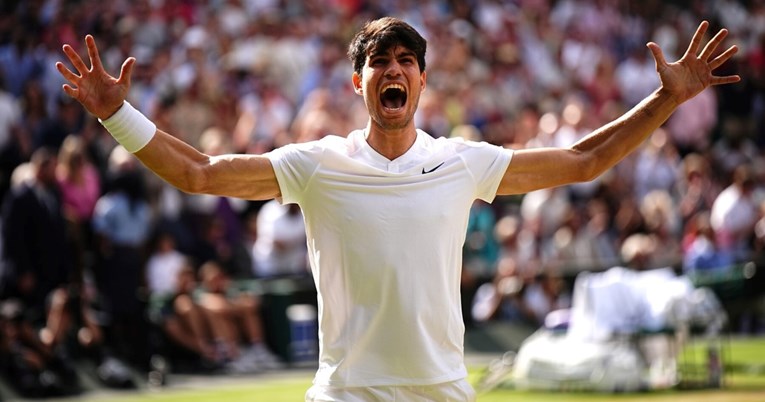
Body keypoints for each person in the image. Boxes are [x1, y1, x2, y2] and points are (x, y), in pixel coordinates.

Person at [57, 17, 739, 401]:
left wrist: (667, 100)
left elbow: (584, 161)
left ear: (420, 79)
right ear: (359, 81)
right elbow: (200, 173)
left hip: (442, 394)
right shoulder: (317, 163)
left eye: (406, 60)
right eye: (379, 60)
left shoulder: (462, 161)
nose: (393, 69)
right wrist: (117, 114)